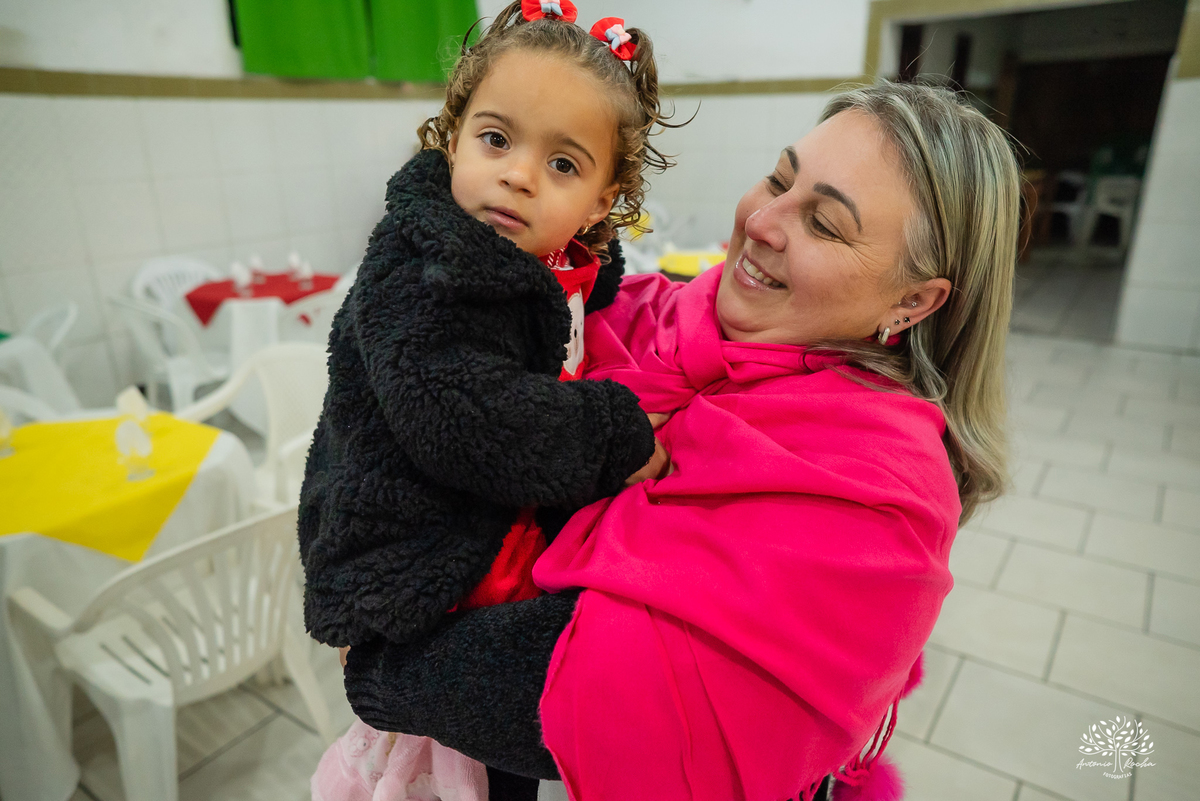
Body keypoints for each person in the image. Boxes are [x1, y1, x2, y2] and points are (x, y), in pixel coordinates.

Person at [337, 80, 1021, 801]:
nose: (762, 222)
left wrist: (384, 672)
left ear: (912, 300)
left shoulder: (881, 490)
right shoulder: (651, 318)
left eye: (824, 224)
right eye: (780, 180)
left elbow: (624, 702)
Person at [299, 2, 677, 799]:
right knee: (454, 764)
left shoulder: (540, 257)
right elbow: (469, 418)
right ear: (453, 132)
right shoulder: (424, 266)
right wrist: (617, 433)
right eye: (496, 139)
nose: (518, 175)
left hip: (484, 545)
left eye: (564, 165)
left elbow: (568, 289)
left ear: (599, 206)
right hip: (414, 564)